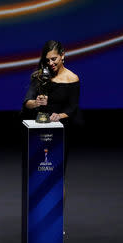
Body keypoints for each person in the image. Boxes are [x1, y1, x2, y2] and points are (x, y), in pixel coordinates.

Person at [22, 40, 80, 172]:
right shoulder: (40, 77)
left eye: (54, 59)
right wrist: (36, 102)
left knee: (58, 173)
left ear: (62, 55)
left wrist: (59, 116)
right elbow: (27, 102)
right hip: (39, 129)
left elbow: (72, 107)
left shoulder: (72, 78)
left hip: (61, 131)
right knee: (38, 171)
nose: (51, 63)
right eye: (47, 60)